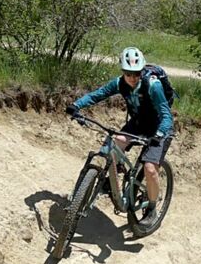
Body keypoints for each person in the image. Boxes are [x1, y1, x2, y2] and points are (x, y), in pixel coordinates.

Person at [65, 47, 173, 228]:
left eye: (137, 73)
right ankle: (115, 173)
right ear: (123, 71)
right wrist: (76, 105)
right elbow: (97, 95)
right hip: (138, 123)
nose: (133, 77)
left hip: (160, 128)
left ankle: (152, 209)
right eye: (128, 73)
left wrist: (159, 134)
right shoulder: (119, 83)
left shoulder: (153, 85)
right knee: (113, 145)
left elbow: (166, 115)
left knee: (150, 168)